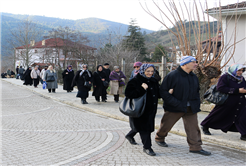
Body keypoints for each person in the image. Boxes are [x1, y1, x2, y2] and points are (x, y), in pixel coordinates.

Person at [155, 56, 211, 156]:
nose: (196, 64)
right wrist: (175, 102)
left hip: (191, 107)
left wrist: (197, 103)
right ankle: (159, 137)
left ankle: (195, 147)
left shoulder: (193, 76)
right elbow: (163, 91)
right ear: (185, 64)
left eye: (196, 62)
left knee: (193, 128)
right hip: (175, 107)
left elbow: (197, 92)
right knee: (166, 124)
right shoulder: (173, 75)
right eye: (193, 62)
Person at [201, 64, 246, 141]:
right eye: (239, 70)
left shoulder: (242, 78)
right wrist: (237, 90)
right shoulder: (225, 77)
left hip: (240, 102)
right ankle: (205, 125)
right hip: (227, 102)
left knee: (242, 117)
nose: (240, 72)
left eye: (242, 70)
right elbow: (220, 88)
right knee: (218, 115)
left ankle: (244, 134)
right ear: (233, 70)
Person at [125, 64, 159, 156]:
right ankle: (147, 147)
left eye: (152, 71)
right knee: (145, 129)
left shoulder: (153, 80)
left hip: (151, 109)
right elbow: (128, 94)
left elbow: (157, 93)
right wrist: (142, 89)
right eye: (148, 71)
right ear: (143, 70)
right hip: (140, 109)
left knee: (141, 126)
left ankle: (130, 135)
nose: (150, 73)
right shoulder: (135, 80)